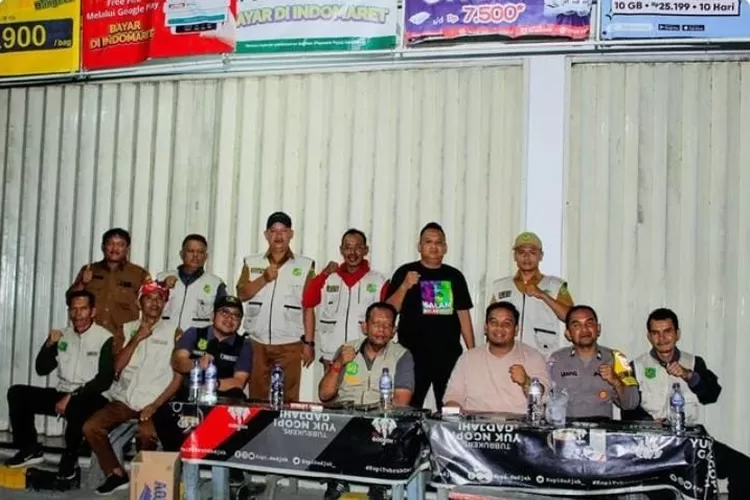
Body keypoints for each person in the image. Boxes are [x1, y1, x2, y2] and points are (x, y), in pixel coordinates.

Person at [623, 308, 750, 500]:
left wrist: (688, 375)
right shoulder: (637, 366)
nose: (662, 338)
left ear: (678, 334)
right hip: (654, 446)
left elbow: (712, 395)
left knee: (743, 466)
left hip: (690, 442)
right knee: (664, 491)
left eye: (667, 331)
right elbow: (628, 409)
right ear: (649, 336)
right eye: (656, 333)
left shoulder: (693, 362)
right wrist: (649, 423)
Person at [83, 281, 182, 495]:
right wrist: (137, 338)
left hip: (155, 402)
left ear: (165, 304)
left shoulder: (174, 332)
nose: (154, 303)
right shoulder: (126, 329)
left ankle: (145, 486)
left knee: (146, 434)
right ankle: (116, 474)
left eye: (159, 299)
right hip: (125, 399)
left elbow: (178, 378)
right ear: (139, 302)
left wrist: (155, 405)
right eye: (149, 298)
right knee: (91, 426)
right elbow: (116, 368)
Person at [4, 291, 114, 481]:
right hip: (64, 391)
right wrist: (49, 344)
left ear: (93, 311)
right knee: (17, 393)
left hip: (93, 396)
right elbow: (41, 368)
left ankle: (70, 458)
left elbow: (104, 380)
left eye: (83, 309)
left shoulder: (104, 337)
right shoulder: (63, 335)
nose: (78, 314)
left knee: (77, 405)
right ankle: (30, 448)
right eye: (74, 309)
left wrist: (72, 395)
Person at [318, 301, 413, 500]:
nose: (381, 330)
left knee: (392, 429)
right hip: (346, 417)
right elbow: (324, 395)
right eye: (376, 324)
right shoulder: (347, 349)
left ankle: (379, 485)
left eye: (387, 325)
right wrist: (338, 363)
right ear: (365, 327)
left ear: (394, 331)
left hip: (379, 420)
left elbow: (401, 402)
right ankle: (338, 481)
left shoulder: (402, 355)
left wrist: (371, 416)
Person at [386, 222, 475, 409]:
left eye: (438, 242)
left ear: (445, 247)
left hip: (448, 355)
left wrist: (473, 353)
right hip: (411, 355)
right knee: (409, 409)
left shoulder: (454, 276)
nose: (434, 246)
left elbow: (464, 315)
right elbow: (389, 310)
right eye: (428, 242)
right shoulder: (405, 272)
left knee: (450, 409)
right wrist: (405, 286)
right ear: (419, 246)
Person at [155, 295, 252, 452]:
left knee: (241, 411)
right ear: (213, 315)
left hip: (223, 398)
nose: (230, 319)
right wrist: (196, 364)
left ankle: (224, 462)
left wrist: (212, 385)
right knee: (163, 413)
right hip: (190, 395)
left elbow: (239, 381)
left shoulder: (244, 344)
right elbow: (178, 361)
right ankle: (177, 457)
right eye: (224, 312)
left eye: (236, 315)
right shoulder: (194, 333)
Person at [236, 211, 315, 402]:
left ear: (291, 234)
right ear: (266, 234)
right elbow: (242, 294)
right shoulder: (251, 262)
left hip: (290, 343)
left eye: (284, 231)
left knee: (288, 400)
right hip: (257, 342)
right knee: (257, 399)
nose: (279, 236)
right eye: (273, 231)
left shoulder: (305, 265)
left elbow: (309, 307)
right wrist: (264, 278)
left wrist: (309, 343)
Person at [443, 302, 550, 413]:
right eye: (493, 322)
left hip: (518, 423)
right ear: (486, 327)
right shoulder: (468, 358)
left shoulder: (533, 357)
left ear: (516, 329)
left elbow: (542, 400)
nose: (499, 327)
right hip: (476, 422)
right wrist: (452, 416)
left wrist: (526, 382)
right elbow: (452, 398)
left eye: (507, 323)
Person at [302, 228, 389, 366]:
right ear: (341, 250)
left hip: (364, 356)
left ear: (365, 250)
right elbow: (308, 301)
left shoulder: (379, 281)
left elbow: (388, 319)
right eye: (348, 248)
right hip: (331, 355)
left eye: (358, 248)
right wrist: (324, 274)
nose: (352, 253)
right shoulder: (329, 278)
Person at [489, 232, 573, 357]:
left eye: (532, 252)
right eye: (521, 252)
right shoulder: (500, 286)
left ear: (541, 256)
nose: (526, 257)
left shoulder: (555, 285)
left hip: (543, 355)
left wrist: (542, 295)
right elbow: (491, 321)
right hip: (507, 354)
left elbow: (571, 318)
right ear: (515, 256)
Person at [548, 305, 639, 419]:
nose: (584, 329)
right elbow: (546, 398)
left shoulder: (618, 358)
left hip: (602, 428)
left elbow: (632, 404)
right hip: (566, 427)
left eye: (589, 323)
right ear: (568, 334)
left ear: (598, 329)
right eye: (576, 325)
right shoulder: (557, 359)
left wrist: (616, 381)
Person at [67, 228, 150, 349]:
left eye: (120, 245)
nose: (115, 248)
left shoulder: (139, 274)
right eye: (110, 244)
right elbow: (70, 299)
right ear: (103, 247)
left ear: (127, 249)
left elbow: (151, 304)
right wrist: (82, 283)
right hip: (90, 340)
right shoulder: (89, 270)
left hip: (122, 342)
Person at [157, 234, 227, 333]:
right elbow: (144, 303)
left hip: (197, 339)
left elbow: (223, 317)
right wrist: (162, 286)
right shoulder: (162, 278)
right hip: (163, 336)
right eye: (190, 251)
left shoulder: (216, 284)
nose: (195, 255)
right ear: (181, 254)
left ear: (206, 256)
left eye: (200, 252)